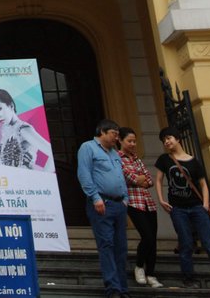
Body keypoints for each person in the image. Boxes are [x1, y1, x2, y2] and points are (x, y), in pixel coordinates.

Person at [154, 128, 210, 292]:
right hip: (178, 209)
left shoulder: (194, 162)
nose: (167, 142)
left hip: (197, 207)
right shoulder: (164, 159)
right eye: (164, 140)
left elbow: (203, 184)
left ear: (178, 139)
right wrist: (161, 200)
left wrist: (204, 204)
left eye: (169, 138)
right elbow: (159, 180)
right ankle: (188, 279)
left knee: (209, 244)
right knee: (186, 244)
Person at [77, 119, 131, 298]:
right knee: (106, 245)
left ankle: (123, 288)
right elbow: (84, 174)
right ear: (102, 132)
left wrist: (125, 199)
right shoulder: (88, 148)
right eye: (113, 134)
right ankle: (113, 288)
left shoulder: (114, 153)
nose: (116, 138)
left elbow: (120, 176)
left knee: (121, 247)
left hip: (119, 204)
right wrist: (95, 197)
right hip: (102, 204)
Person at [118, 128, 161, 289]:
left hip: (148, 202)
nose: (133, 144)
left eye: (134, 141)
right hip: (133, 202)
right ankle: (139, 266)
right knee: (147, 236)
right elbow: (130, 177)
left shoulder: (137, 159)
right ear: (120, 141)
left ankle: (151, 273)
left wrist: (139, 179)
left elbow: (148, 179)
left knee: (153, 240)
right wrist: (138, 179)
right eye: (129, 141)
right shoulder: (118, 158)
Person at [0, 88, 53, 169]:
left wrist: (44, 176)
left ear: (11, 105)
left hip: (27, 179)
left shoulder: (23, 130)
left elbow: (51, 152)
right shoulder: (4, 129)